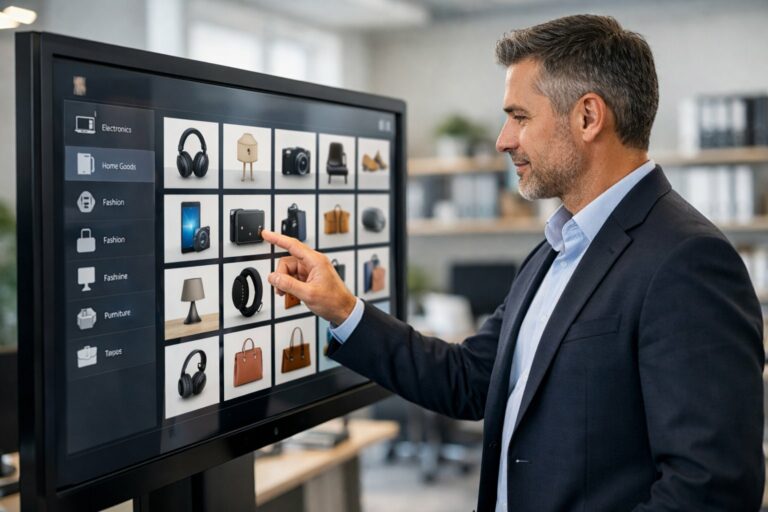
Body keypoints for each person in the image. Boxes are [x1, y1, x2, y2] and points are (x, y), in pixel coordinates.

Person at [262, 14, 765, 512]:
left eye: (520, 117)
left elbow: (710, 490)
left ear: (588, 117)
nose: (504, 139)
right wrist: (343, 309)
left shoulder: (688, 260)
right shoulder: (557, 246)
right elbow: (468, 378)